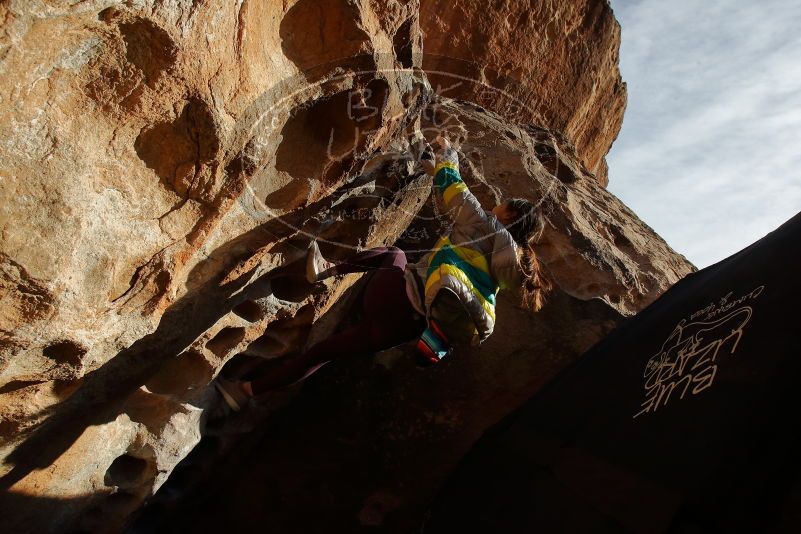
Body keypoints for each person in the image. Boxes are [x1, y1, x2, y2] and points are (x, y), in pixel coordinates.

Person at [214, 136, 552, 411]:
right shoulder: (512, 268)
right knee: (322, 353)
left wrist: (447, 150)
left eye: (505, 202)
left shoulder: (487, 225)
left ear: (508, 216)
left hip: (395, 296)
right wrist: (431, 166)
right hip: (406, 329)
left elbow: (455, 189)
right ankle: (245, 391)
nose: (498, 202)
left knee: (395, 254)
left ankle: (326, 270)